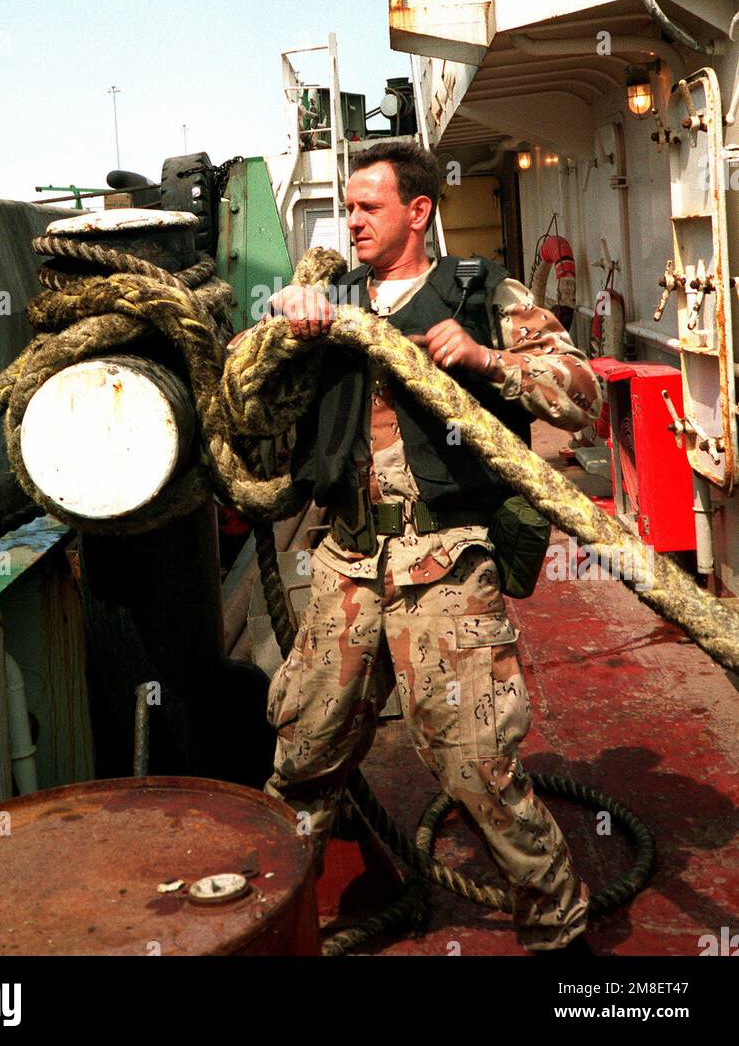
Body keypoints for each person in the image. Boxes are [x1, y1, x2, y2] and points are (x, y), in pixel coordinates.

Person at [259, 140, 602, 955]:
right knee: (304, 750)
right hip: (345, 562)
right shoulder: (327, 301)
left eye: (367, 207)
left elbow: (579, 392)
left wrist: (483, 358)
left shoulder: (481, 293)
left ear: (419, 211)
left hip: (442, 559)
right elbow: (256, 404)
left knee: (475, 767)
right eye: (346, 207)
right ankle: (276, 919)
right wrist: (281, 321)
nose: (352, 220)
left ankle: (559, 937)